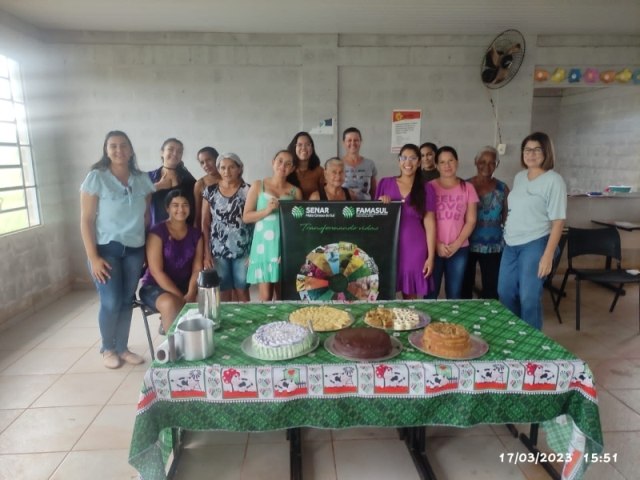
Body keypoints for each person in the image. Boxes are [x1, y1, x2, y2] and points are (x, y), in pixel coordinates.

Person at [80, 130, 155, 369]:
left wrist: (144, 250)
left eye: (123, 145)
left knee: (125, 300)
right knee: (110, 301)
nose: (118, 150)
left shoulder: (142, 179)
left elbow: (145, 216)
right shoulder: (96, 177)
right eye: (113, 146)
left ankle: (122, 347)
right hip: (106, 249)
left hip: (134, 249)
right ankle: (108, 348)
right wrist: (93, 257)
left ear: (131, 150)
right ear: (106, 150)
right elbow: (86, 220)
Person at [498, 132, 566, 330]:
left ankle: (531, 347)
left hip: (535, 244)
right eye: (527, 149)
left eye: (537, 149)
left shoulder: (554, 181)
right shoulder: (520, 177)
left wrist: (548, 255)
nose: (531, 154)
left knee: (529, 297)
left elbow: (559, 221)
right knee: (505, 291)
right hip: (511, 244)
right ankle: (515, 334)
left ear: (546, 152)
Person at [376, 144, 436, 299]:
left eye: (413, 158)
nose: (408, 162)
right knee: (385, 290)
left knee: (410, 294)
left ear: (419, 162)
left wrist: (431, 256)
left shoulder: (426, 188)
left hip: (415, 246)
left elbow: (430, 223)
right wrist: (380, 203)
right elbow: (374, 217)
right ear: (398, 161)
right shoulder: (385, 183)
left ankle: (410, 322)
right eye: (404, 158)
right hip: (389, 244)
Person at [139, 189, 203, 333]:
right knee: (170, 303)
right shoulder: (157, 232)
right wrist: (181, 297)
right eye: (175, 205)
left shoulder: (196, 234)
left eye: (185, 204)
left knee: (209, 300)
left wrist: (191, 292)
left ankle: (199, 344)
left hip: (186, 287)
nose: (180, 209)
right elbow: (156, 271)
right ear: (167, 208)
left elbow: (197, 268)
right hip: (155, 286)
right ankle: (173, 350)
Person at [243, 150, 302, 301]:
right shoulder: (258, 185)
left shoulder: (296, 192)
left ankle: (283, 325)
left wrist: (291, 249)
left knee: (283, 295)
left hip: (284, 246)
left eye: (288, 164)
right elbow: (246, 217)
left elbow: (298, 224)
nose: (283, 166)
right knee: (265, 296)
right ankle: (267, 325)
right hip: (263, 245)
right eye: (280, 161)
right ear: (273, 162)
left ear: (293, 168)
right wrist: (267, 210)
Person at [427, 146, 479, 300]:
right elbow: (425, 220)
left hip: (459, 249)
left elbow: (471, 220)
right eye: (442, 162)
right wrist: (437, 244)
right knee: (430, 292)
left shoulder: (468, 188)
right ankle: (427, 324)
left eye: (450, 161)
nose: (447, 165)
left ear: (457, 162)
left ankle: (452, 325)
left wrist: (457, 244)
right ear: (436, 165)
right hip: (433, 248)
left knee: (454, 293)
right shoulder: (429, 187)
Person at [461, 146, 509, 299]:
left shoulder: (503, 188)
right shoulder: (465, 186)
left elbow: (507, 217)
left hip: (493, 245)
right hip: (466, 243)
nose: (487, 166)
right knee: (464, 285)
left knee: (492, 287)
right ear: (476, 162)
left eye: (491, 162)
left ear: (497, 164)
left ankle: (488, 318)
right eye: (482, 162)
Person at [202, 153, 252, 302]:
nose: (227, 171)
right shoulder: (209, 191)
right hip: (218, 250)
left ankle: (246, 323)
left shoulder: (248, 190)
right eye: (223, 167)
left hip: (243, 249)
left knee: (242, 289)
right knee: (223, 290)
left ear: (239, 168)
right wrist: (206, 253)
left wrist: (253, 252)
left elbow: (254, 222)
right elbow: (205, 223)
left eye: (231, 167)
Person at [148, 138, 197, 226]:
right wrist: (157, 186)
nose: (175, 154)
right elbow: (134, 199)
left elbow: (195, 208)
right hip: (156, 232)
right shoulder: (149, 177)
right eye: (170, 149)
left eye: (179, 151)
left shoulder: (189, 180)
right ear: (162, 152)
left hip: (183, 232)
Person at [340, 127, 378, 200]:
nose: (353, 143)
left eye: (356, 140)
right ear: (344, 142)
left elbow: (374, 190)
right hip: (344, 208)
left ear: (360, 141)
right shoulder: (338, 164)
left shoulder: (369, 164)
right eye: (349, 140)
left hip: (365, 208)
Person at [286, 132, 324, 200]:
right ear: (294, 148)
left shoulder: (319, 171)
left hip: (312, 209)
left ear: (312, 148)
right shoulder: (287, 169)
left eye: (307, 145)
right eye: (299, 145)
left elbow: (325, 194)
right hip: (290, 209)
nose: (303, 148)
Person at [193, 146, 221, 229]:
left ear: (217, 159)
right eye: (202, 162)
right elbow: (197, 215)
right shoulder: (200, 184)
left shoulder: (230, 179)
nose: (206, 165)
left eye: (209, 160)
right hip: (209, 231)